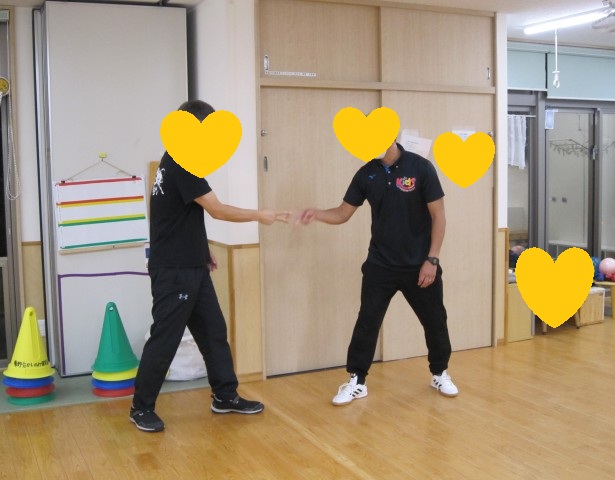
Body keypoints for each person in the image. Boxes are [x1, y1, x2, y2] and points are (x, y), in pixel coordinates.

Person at [130, 100, 290, 432]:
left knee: (213, 331)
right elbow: (216, 209)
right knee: (166, 338)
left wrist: (203, 252)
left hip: (193, 265)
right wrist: (260, 215)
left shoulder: (174, 160)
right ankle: (140, 407)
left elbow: (183, 216)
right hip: (175, 270)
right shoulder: (181, 162)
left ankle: (225, 396)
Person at [299, 140, 458, 405]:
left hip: (419, 264)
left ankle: (440, 372)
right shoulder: (366, 173)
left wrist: (432, 259)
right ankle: (357, 381)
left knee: (435, 320)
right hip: (380, 265)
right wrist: (315, 214)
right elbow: (342, 213)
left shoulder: (420, 167)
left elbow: (438, 215)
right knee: (367, 322)